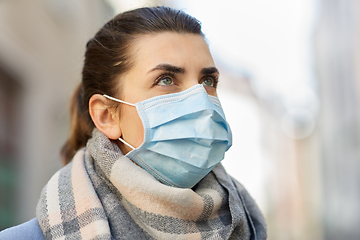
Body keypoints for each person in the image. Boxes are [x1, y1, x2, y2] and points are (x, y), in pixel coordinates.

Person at [0, 6, 267, 239]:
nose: (201, 101)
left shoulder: (248, 227)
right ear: (106, 116)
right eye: (166, 79)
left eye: (207, 81)